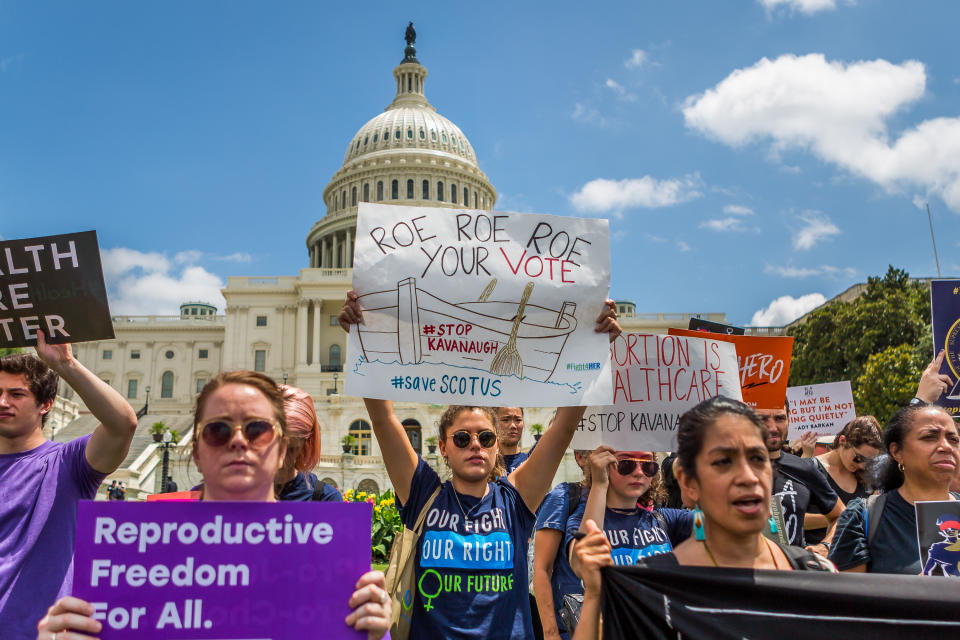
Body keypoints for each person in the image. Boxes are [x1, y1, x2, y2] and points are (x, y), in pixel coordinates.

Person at [338, 290, 620, 640]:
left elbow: (563, 428)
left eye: (486, 438)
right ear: (442, 447)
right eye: (462, 438)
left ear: (497, 446)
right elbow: (382, 420)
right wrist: (362, 339)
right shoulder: (424, 493)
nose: (475, 445)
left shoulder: (515, 499)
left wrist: (593, 348)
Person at [36, 370, 391, 639]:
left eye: (258, 430)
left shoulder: (326, 523)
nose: (239, 442)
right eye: (218, 431)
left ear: (286, 448)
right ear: (196, 449)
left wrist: (373, 632)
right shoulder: (151, 538)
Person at [0, 337, 139, 640]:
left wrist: (65, 365)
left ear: (46, 404)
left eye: (16, 394)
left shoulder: (70, 463)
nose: (2, 402)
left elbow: (122, 424)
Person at [829, 402, 960, 574]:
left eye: (954, 440)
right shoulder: (863, 517)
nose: (946, 447)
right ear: (897, 452)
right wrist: (915, 590)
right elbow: (847, 598)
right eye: (930, 437)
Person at [567, 447, 691, 567]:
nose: (639, 472)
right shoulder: (583, 521)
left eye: (648, 465)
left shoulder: (664, 519)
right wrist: (599, 485)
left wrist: (691, 491)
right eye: (626, 464)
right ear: (604, 466)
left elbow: (705, 525)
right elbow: (581, 565)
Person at [757, 400, 843, 552]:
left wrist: (825, 546)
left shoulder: (804, 468)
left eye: (780, 418)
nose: (772, 427)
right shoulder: (732, 469)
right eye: (762, 419)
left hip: (792, 572)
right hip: (744, 572)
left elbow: (841, 514)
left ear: (789, 419)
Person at [533, 450, 589, 640]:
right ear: (581, 458)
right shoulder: (564, 496)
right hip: (571, 628)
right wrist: (550, 633)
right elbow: (541, 569)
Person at [804, 416, 882, 546]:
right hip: (816, 556)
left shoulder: (868, 478)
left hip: (855, 557)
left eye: (869, 462)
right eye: (858, 458)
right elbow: (790, 519)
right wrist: (841, 516)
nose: (862, 465)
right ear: (843, 441)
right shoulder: (811, 469)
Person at [276, 384, 343, 502]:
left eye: (291, 447)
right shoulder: (238, 491)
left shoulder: (326, 498)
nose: (281, 456)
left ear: (306, 443)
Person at [498, 406, 529, 473]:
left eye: (518, 420)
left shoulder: (530, 463)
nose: (513, 426)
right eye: (505, 420)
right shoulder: (486, 465)